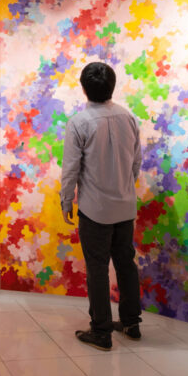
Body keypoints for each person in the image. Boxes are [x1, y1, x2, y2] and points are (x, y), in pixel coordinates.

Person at [60, 62, 142, 350]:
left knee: (97, 269)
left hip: (95, 209)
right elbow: (136, 161)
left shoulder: (79, 123)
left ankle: (101, 331)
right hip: (125, 207)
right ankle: (131, 323)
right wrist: (125, 187)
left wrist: (66, 199)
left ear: (84, 89)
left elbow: (71, 168)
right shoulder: (128, 117)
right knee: (125, 264)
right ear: (112, 86)